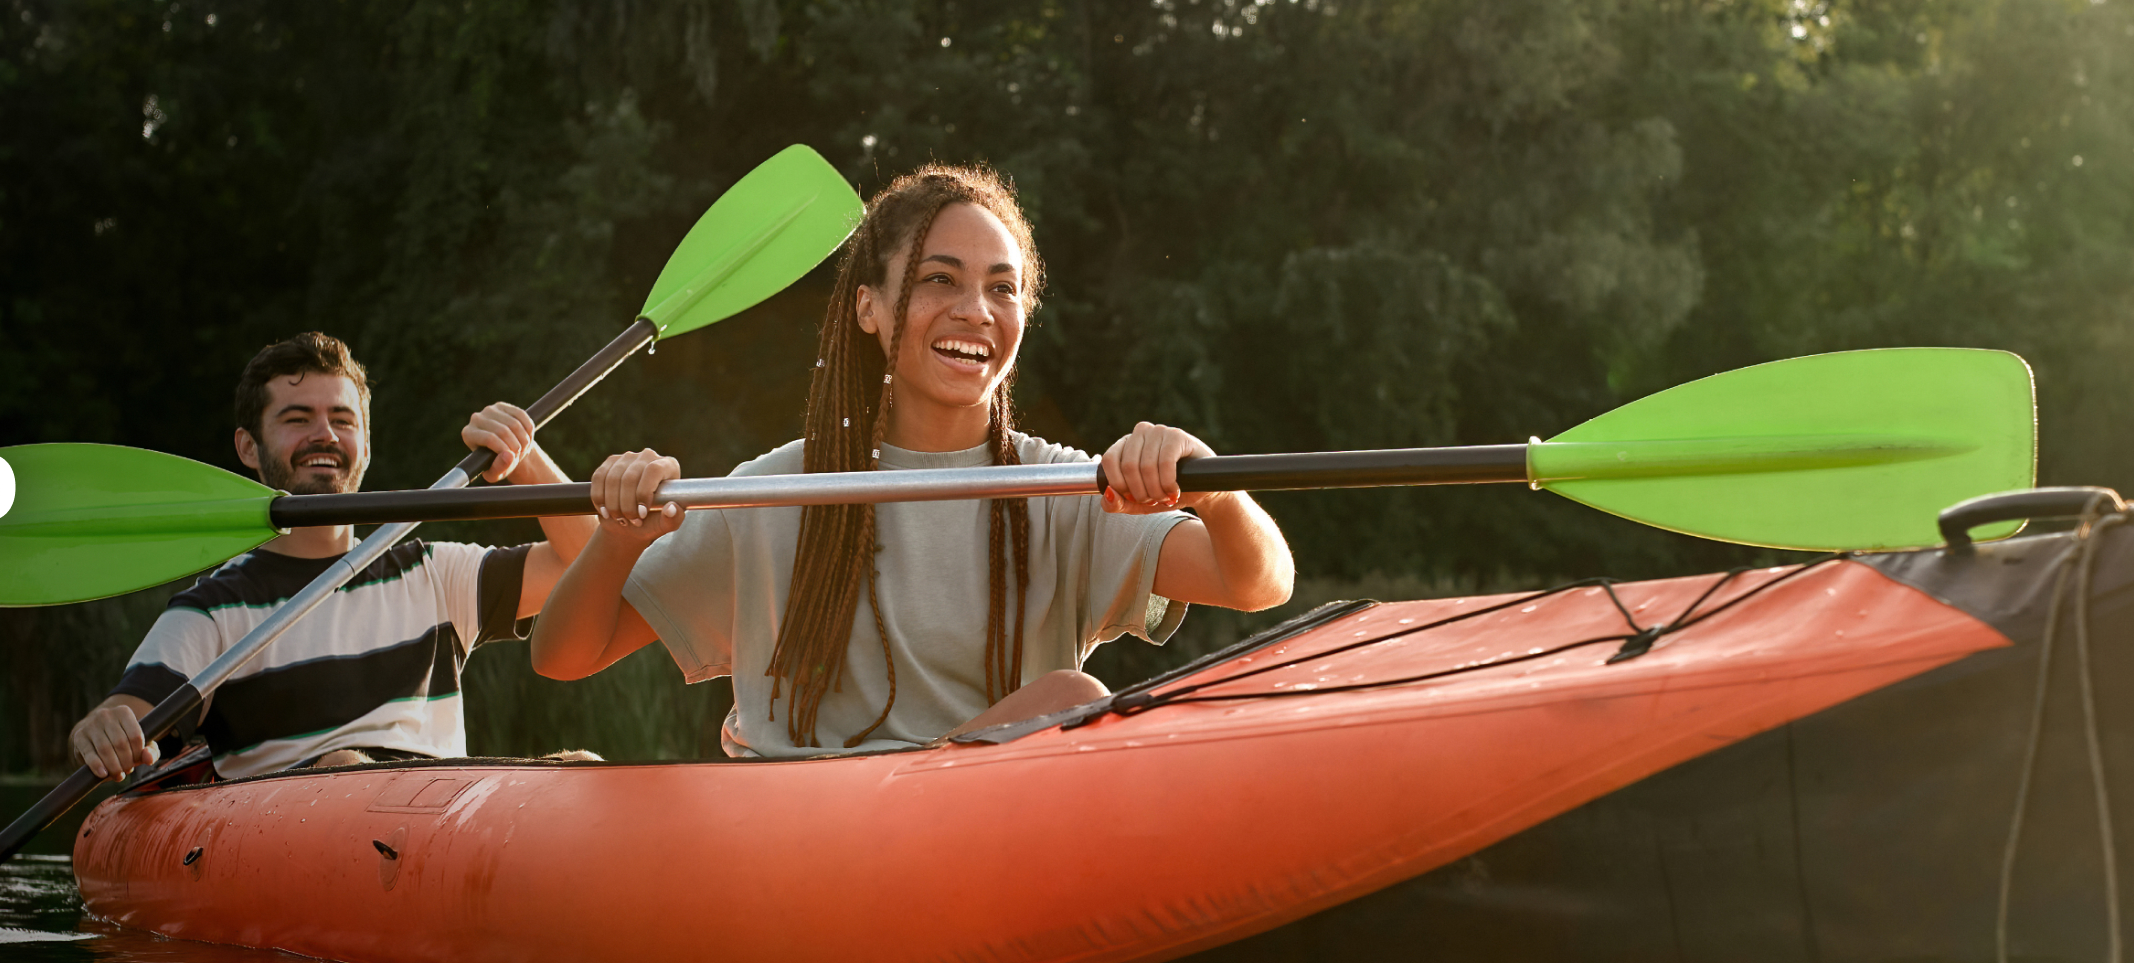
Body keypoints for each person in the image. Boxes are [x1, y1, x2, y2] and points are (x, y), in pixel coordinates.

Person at [531, 164, 1294, 756]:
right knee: (1072, 695)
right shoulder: (769, 492)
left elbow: (1258, 584)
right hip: (794, 844)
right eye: (940, 279)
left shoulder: (1061, 486)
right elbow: (564, 655)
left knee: (1070, 697)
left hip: (983, 844)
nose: (975, 310)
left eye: (1003, 289)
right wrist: (618, 539)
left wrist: (1212, 490)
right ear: (868, 306)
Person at [69, 332, 595, 780]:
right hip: (295, 827)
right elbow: (128, 714)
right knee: (342, 764)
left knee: (582, 766)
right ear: (249, 447)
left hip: (445, 817)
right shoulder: (212, 610)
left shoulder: (434, 573)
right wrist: (102, 727)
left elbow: (591, 566)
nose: (324, 435)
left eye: (342, 420)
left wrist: (525, 460)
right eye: (298, 419)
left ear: (365, 443)